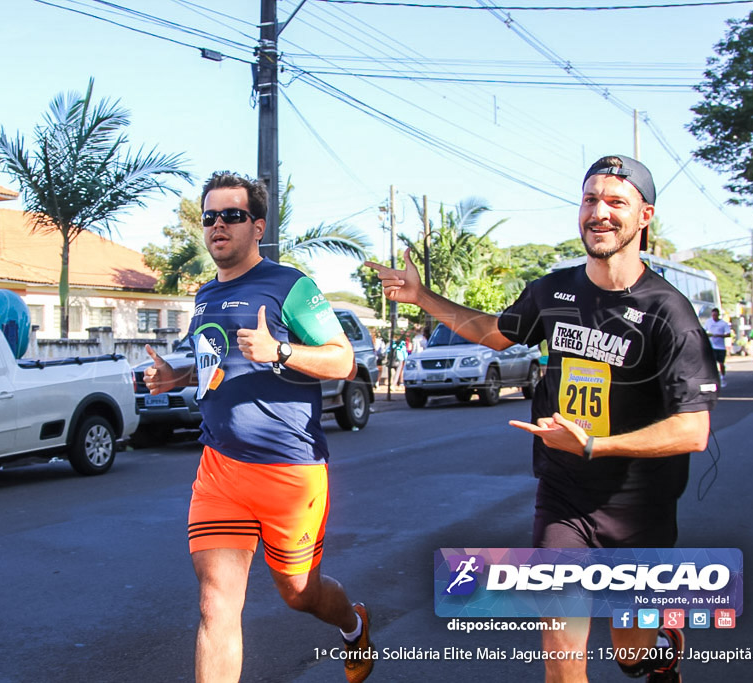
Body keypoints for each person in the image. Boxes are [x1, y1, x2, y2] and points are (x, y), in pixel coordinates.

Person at [367, 155, 717, 683]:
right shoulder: (554, 291)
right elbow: (493, 332)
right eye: (590, 199)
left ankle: (659, 647)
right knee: (561, 652)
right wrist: (420, 296)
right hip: (565, 496)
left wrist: (597, 445)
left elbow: (693, 430)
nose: (599, 212)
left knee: (631, 655)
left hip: (639, 507)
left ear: (644, 216)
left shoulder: (669, 312)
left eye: (616, 202)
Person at [143, 171, 376, 683]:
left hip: (290, 472)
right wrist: (175, 375)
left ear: (257, 225)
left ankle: (354, 624)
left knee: (299, 594)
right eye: (210, 217)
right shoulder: (204, 296)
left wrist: (282, 351)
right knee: (215, 604)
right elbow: (217, 362)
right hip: (220, 469)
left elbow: (343, 362)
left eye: (232, 215)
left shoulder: (289, 286)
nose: (218, 225)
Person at [703, 307, 731, 387]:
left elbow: (728, 334)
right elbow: (704, 331)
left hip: (721, 347)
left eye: (715, 315)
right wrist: (708, 335)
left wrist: (719, 335)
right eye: (713, 315)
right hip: (712, 346)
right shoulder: (708, 322)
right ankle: (713, 378)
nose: (714, 317)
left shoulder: (723, 324)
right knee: (712, 363)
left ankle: (722, 377)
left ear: (718, 315)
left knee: (721, 363)